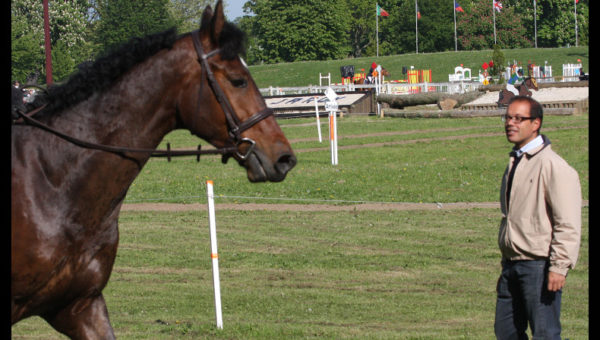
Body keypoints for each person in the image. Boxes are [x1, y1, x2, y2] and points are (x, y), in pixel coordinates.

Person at [495, 96, 582, 339]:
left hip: (539, 265)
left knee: (545, 333)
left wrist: (559, 266)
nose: (510, 123)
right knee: (506, 332)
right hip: (511, 262)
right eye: (508, 117)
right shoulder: (516, 160)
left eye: (518, 118)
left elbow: (568, 222)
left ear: (536, 124)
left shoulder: (553, 166)